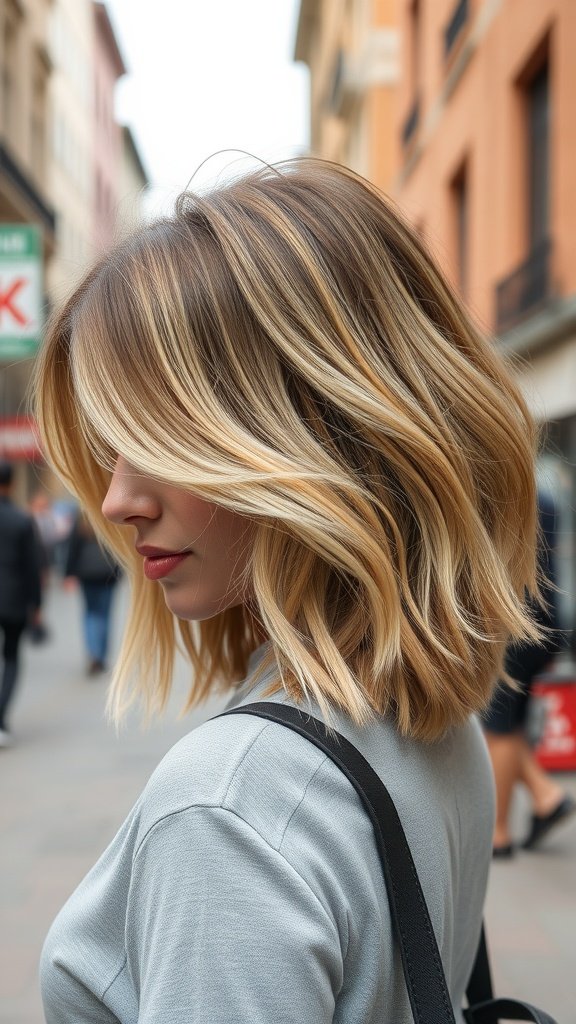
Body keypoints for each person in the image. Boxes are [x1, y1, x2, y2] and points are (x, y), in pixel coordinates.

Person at [34, 159, 544, 1023]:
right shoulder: (429, 714)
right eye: (114, 448)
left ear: (306, 436)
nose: (118, 500)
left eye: (162, 436)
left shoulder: (231, 806)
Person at [484, 490, 575, 856]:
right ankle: (546, 797)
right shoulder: (548, 499)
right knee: (508, 724)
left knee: (499, 726)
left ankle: (498, 835)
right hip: (543, 624)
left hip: (516, 625)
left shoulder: (509, 498)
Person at [0, 460, 42, 747]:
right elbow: (33, 568)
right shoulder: (22, 520)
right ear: (12, 484)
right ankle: (0, 718)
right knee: (12, 658)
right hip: (13, 600)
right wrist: (36, 605)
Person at [64, 511, 121, 675]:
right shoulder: (110, 518)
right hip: (107, 572)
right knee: (105, 614)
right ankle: (100, 655)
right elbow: (120, 546)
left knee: (90, 613)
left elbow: (72, 547)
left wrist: (68, 573)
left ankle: (94, 653)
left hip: (86, 572)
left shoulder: (82, 518)